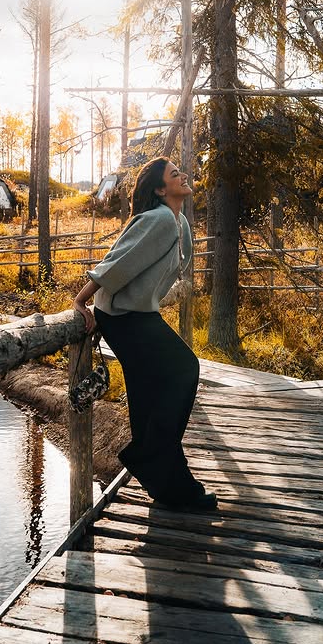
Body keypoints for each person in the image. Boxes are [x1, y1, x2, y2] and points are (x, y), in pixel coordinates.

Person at [72, 157, 217, 511]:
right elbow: (118, 261)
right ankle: (149, 456)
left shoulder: (178, 222)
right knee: (185, 369)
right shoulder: (159, 219)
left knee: (145, 394)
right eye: (174, 174)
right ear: (160, 189)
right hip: (121, 316)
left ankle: (166, 486)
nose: (183, 175)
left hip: (136, 313)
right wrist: (80, 300)